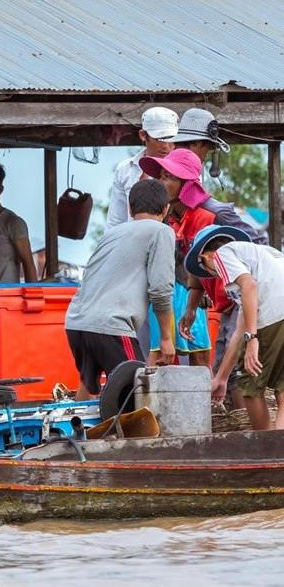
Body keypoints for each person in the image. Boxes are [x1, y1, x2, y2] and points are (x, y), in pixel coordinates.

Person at [63, 179, 176, 397]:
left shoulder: (112, 234)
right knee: (135, 394)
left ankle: (80, 430)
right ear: (166, 208)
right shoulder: (161, 231)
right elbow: (161, 289)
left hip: (77, 322)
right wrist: (166, 337)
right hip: (111, 325)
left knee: (88, 385)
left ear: (130, 208)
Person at [188, 224, 284, 430]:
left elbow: (250, 286)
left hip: (272, 314)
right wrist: (221, 378)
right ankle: (279, 451)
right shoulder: (261, 255)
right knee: (282, 390)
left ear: (205, 258)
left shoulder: (222, 255)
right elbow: (239, 329)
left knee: (250, 388)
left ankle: (266, 447)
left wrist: (253, 339)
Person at [138, 148, 217, 366]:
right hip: (162, 289)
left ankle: (204, 400)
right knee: (160, 354)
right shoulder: (159, 218)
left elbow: (210, 262)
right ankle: (154, 400)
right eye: (160, 177)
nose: (161, 183)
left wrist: (203, 288)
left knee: (199, 354)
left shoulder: (206, 218)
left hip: (192, 290)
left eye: (168, 177)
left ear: (187, 184)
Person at [105, 106, 178, 230]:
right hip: (131, 242)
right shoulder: (125, 169)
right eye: (159, 138)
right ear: (143, 135)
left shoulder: (185, 170)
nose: (166, 145)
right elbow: (115, 221)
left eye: (171, 138)